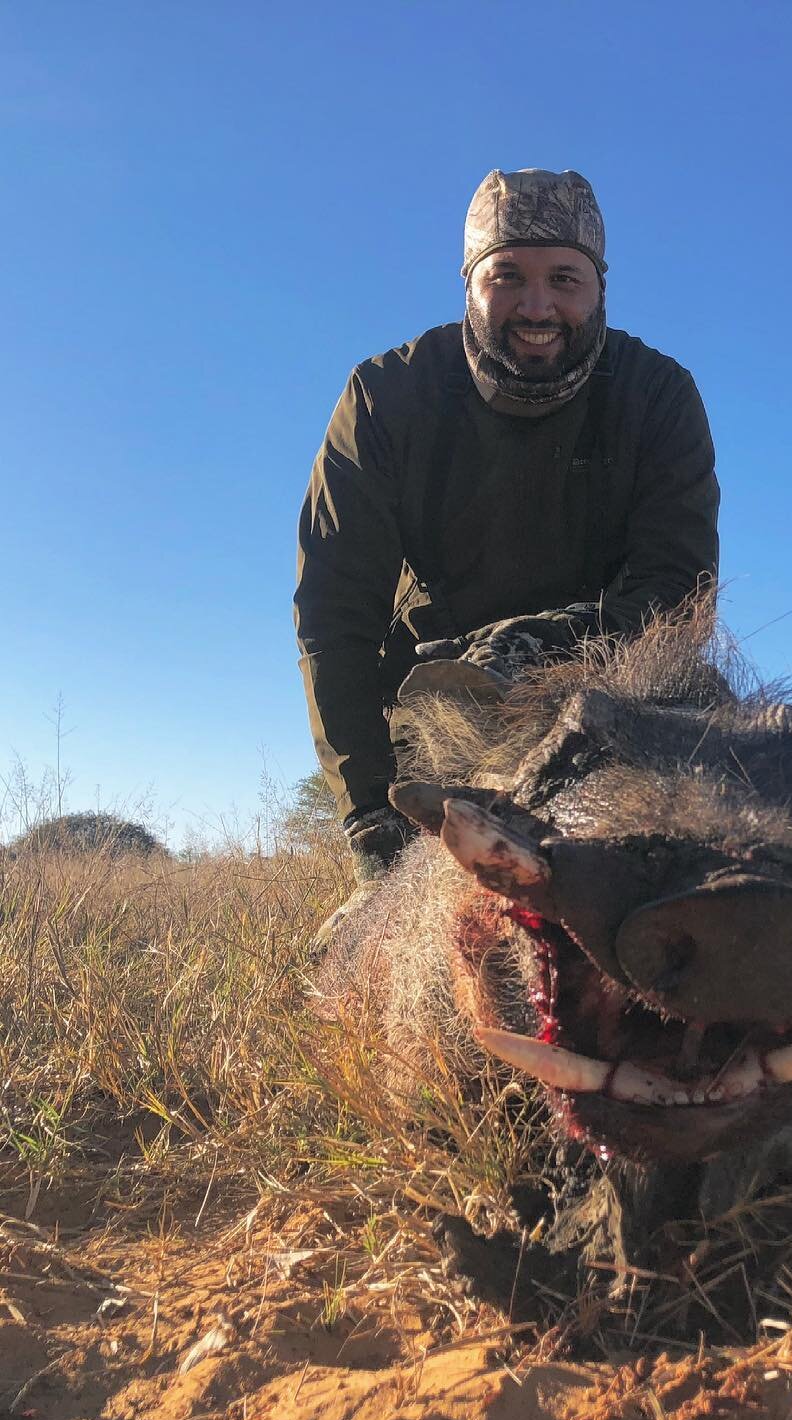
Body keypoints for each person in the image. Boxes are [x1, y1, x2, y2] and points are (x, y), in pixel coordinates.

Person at [295, 168, 719, 908]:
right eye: (507, 276)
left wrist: (536, 651)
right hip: (438, 725)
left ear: (600, 288)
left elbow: (677, 595)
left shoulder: (659, 394)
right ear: (468, 285)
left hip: (618, 707)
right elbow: (336, 616)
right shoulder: (383, 396)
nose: (537, 304)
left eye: (564, 278)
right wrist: (370, 815)